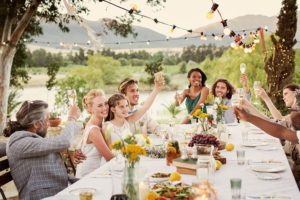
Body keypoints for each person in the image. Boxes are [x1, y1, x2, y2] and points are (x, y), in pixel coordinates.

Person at [4, 100, 80, 200]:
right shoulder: (18, 142)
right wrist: (72, 118)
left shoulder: (30, 140)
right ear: (36, 124)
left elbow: (53, 149)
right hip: (44, 196)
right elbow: (64, 141)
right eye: (47, 119)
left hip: (61, 190)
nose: (49, 123)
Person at [105, 77, 164, 144]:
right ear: (123, 95)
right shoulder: (121, 116)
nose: (136, 94)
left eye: (137, 90)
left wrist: (164, 133)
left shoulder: (141, 111)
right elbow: (146, 107)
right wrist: (156, 89)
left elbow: (156, 127)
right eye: (132, 91)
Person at [75, 89, 114, 178]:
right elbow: (110, 158)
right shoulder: (94, 130)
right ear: (90, 109)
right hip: (87, 176)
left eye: (106, 103)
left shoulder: (101, 124)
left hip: (98, 172)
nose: (105, 108)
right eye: (100, 105)